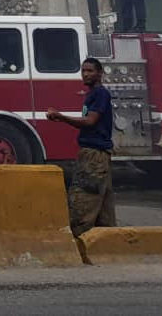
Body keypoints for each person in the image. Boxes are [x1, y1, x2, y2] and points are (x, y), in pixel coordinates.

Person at [46, 58, 115, 237]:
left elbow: (90, 121)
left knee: (82, 206)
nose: (85, 74)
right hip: (99, 155)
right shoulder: (92, 95)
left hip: (94, 156)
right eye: (83, 71)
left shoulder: (100, 94)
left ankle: (77, 244)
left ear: (100, 73)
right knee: (104, 214)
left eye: (90, 71)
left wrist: (61, 117)